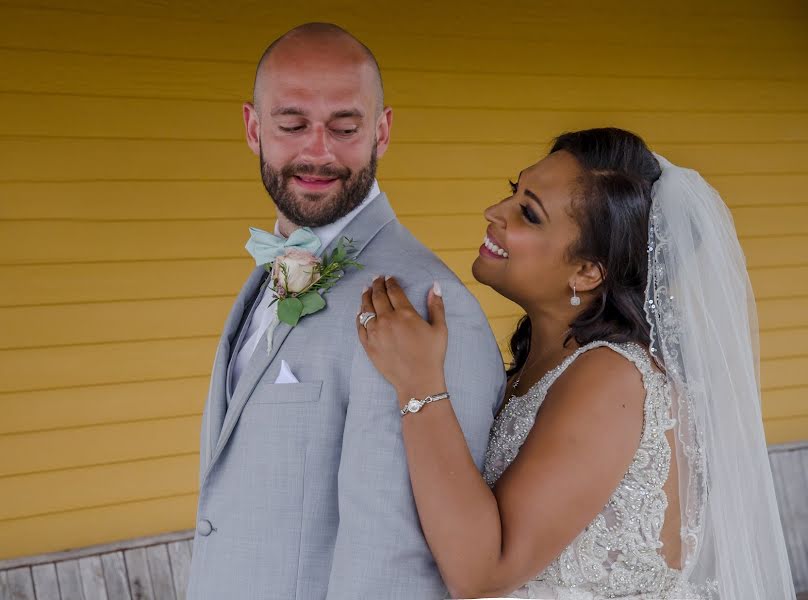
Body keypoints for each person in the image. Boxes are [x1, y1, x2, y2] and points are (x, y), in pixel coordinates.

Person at [358, 128, 796, 599]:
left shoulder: (612, 379)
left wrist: (419, 383)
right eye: (513, 192)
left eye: (528, 213)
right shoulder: (537, 368)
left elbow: (481, 573)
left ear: (588, 272)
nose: (494, 213)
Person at [186, 23, 505, 600]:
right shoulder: (271, 269)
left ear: (382, 132)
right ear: (254, 129)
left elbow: (398, 566)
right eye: (291, 125)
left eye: (344, 126)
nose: (317, 150)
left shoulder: (422, 302)